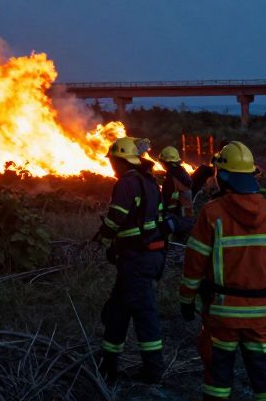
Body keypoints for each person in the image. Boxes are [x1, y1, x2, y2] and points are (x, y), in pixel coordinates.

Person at [179, 140, 266, 401]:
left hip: (222, 313)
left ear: (222, 176)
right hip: (262, 314)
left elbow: (194, 263)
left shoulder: (211, 213)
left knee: (218, 378)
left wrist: (186, 299)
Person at [95, 136, 166, 384]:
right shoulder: (149, 181)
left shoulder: (127, 183)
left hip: (137, 258)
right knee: (118, 309)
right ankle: (108, 364)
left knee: (143, 314)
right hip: (148, 255)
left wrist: (103, 239)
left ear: (122, 161)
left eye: (113, 161)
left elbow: (117, 217)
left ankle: (152, 371)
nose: (112, 166)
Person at [158, 146, 194, 237]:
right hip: (188, 217)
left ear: (165, 162)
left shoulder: (171, 178)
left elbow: (167, 201)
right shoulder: (184, 173)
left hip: (177, 220)